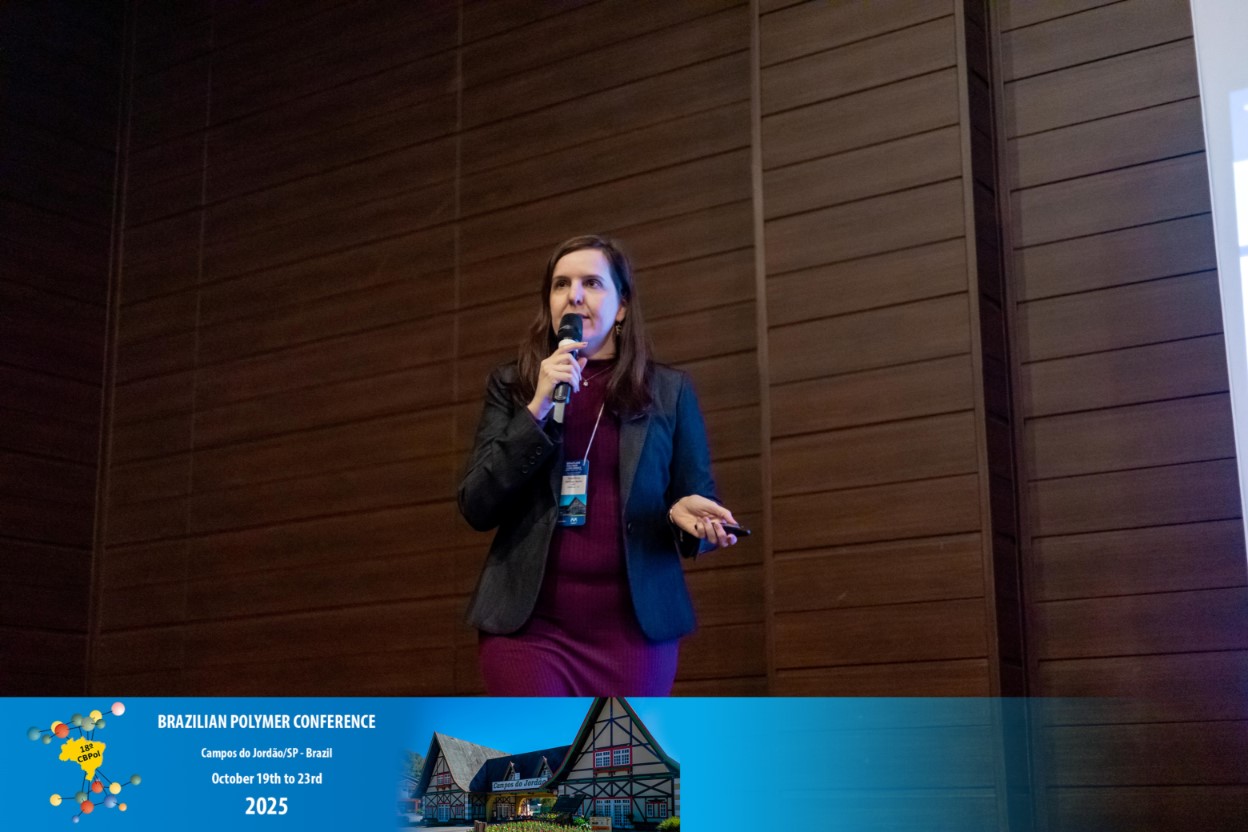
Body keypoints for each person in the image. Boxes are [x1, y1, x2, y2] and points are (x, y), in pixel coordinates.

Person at [457, 234, 742, 696]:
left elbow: (695, 498)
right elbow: (477, 504)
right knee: (543, 743)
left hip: (632, 635)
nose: (574, 295)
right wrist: (536, 410)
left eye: (591, 283)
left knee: (612, 746)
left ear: (622, 306)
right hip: (529, 632)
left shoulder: (668, 392)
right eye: (560, 284)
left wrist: (684, 515)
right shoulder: (514, 386)